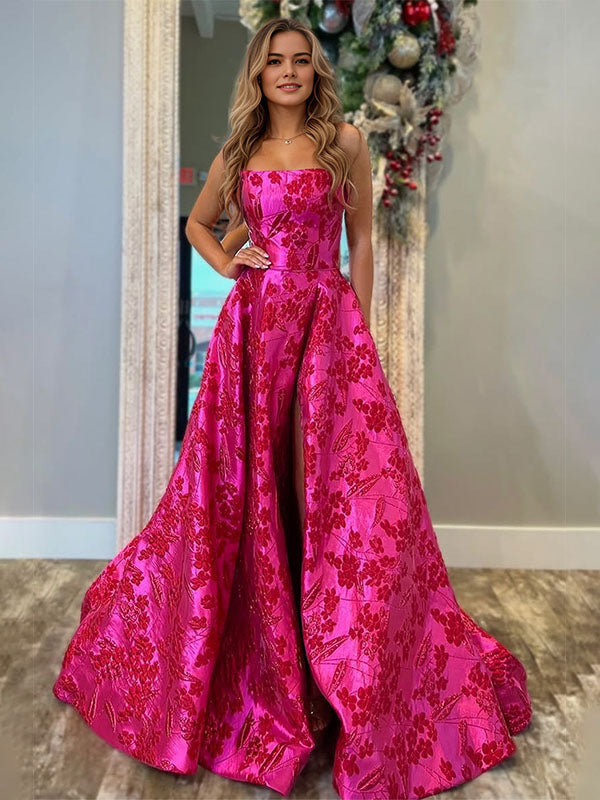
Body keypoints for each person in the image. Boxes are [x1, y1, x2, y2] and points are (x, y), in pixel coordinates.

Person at [53, 17, 532, 800]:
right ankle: (267, 669)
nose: (287, 71)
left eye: (300, 60)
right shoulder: (240, 151)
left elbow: (363, 242)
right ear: (258, 72)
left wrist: (358, 332)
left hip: (324, 326)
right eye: (274, 60)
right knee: (251, 492)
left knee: (336, 498)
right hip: (253, 333)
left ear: (315, 71)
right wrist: (226, 258)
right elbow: (197, 223)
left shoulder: (344, 142)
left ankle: (347, 671)